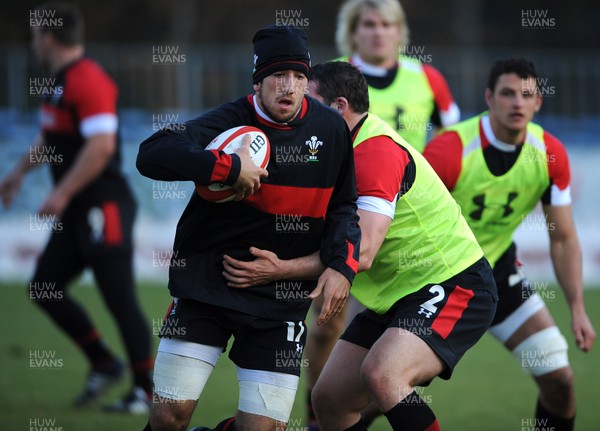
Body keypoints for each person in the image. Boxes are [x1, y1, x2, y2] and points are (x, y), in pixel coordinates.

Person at [221, 61, 498, 431]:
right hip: (397, 297)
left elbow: (361, 252)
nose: (299, 112)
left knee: (384, 375)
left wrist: (281, 269)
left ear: (337, 107)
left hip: (454, 284)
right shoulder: (334, 152)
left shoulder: (375, 152)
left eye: (309, 101)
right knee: (329, 400)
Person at [135, 27, 361, 431]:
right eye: (277, 75)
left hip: (279, 303)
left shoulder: (331, 131)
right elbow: (152, 154)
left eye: (298, 76)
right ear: (257, 80)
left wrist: (343, 266)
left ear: (308, 81)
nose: (288, 86)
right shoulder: (229, 121)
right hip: (206, 287)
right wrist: (228, 168)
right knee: (169, 417)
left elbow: (344, 207)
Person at [423, 58, 596, 431]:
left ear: (538, 103)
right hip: (435, 279)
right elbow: (406, 221)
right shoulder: (449, 150)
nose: (517, 103)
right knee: (372, 392)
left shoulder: (549, 155)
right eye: (507, 93)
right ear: (489, 98)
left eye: (527, 95)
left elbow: (563, 237)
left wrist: (578, 310)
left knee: (559, 378)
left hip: (497, 275)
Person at [0, 2, 153, 413]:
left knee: (120, 299)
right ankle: (104, 362)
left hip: (104, 208)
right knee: (44, 286)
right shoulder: (59, 82)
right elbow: (50, 138)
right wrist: (18, 173)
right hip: (76, 212)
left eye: (35, 34)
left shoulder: (88, 79)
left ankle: (147, 392)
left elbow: (101, 147)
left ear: (48, 36)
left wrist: (62, 192)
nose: (34, 41)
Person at [336, 0, 460, 152]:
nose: (378, 32)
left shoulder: (427, 76)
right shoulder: (329, 76)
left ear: (399, 32)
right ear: (352, 32)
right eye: (369, 24)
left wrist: (428, 164)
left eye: (386, 24)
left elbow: (451, 131)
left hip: (410, 176)